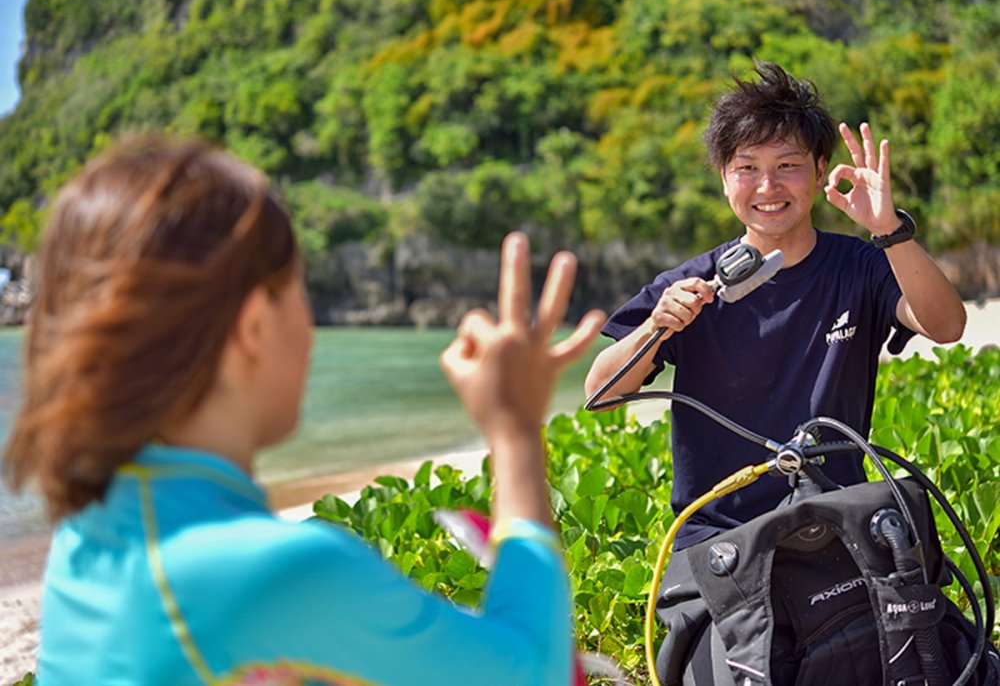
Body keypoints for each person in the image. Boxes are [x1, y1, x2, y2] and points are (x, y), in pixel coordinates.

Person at [2, 135, 606, 685]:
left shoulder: (87, 532)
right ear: (255, 325)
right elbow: (535, 672)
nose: (310, 326)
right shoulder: (278, 571)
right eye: (301, 291)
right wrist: (515, 430)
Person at [583, 61, 967, 683]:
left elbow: (946, 325)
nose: (768, 185)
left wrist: (889, 233)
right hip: (717, 536)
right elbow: (599, 388)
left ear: (819, 172)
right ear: (724, 179)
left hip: (836, 526)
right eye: (747, 168)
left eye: (787, 165)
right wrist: (659, 325)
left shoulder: (860, 267)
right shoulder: (689, 288)